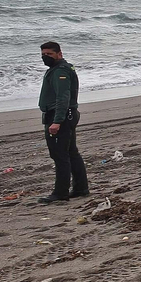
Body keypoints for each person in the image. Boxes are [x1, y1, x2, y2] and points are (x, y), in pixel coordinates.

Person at [38, 40, 88, 203]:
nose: (46, 57)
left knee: (60, 155)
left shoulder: (61, 71)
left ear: (59, 54)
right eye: (43, 55)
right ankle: (81, 188)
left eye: (49, 54)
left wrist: (57, 121)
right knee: (71, 152)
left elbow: (63, 97)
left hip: (61, 115)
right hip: (64, 114)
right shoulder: (57, 69)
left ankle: (61, 192)